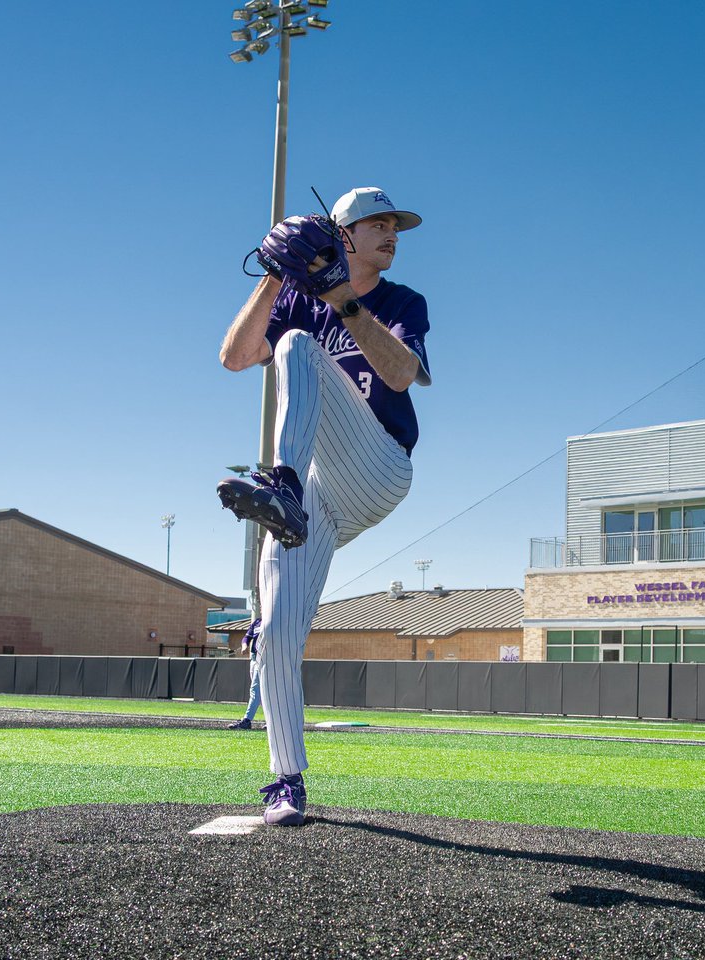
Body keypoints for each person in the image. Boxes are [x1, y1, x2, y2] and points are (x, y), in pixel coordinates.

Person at [217, 187, 430, 826]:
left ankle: (279, 483)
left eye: (396, 225)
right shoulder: (293, 299)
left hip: (377, 466)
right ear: (341, 235)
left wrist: (340, 299)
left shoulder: (399, 300)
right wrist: (276, 276)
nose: (392, 233)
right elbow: (232, 357)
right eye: (378, 224)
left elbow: (400, 374)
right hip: (314, 499)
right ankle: (287, 779)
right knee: (277, 633)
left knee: (297, 348)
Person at [228, 619, 263, 731]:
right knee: (260, 693)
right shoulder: (258, 621)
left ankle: (247, 720)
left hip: (264, 659)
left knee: (255, 690)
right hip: (254, 658)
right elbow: (247, 637)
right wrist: (244, 646)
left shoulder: (273, 620)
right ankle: (272, 722)